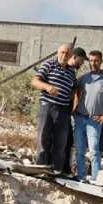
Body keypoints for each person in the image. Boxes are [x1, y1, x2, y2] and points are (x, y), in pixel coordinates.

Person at [31, 43, 82, 175]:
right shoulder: (49, 65)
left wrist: (71, 99)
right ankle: (41, 169)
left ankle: (56, 171)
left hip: (63, 110)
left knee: (61, 142)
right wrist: (47, 87)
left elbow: (75, 87)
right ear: (57, 53)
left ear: (71, 56)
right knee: (43, 138)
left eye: (67, 53)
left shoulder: (71, 72)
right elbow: (35, 81)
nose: (64, 55)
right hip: (47, 106)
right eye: (62, 52)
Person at [72, 50, 103, 182]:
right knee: (79, 150)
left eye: (96, 61)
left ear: (101, 62)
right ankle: (80, 176)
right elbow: (75, 91)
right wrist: (74, 108)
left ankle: (95, 179)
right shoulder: (84, 78)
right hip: (79, 119)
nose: (93, 63)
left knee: (94, 150)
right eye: (91, 60)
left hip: (94, 121)